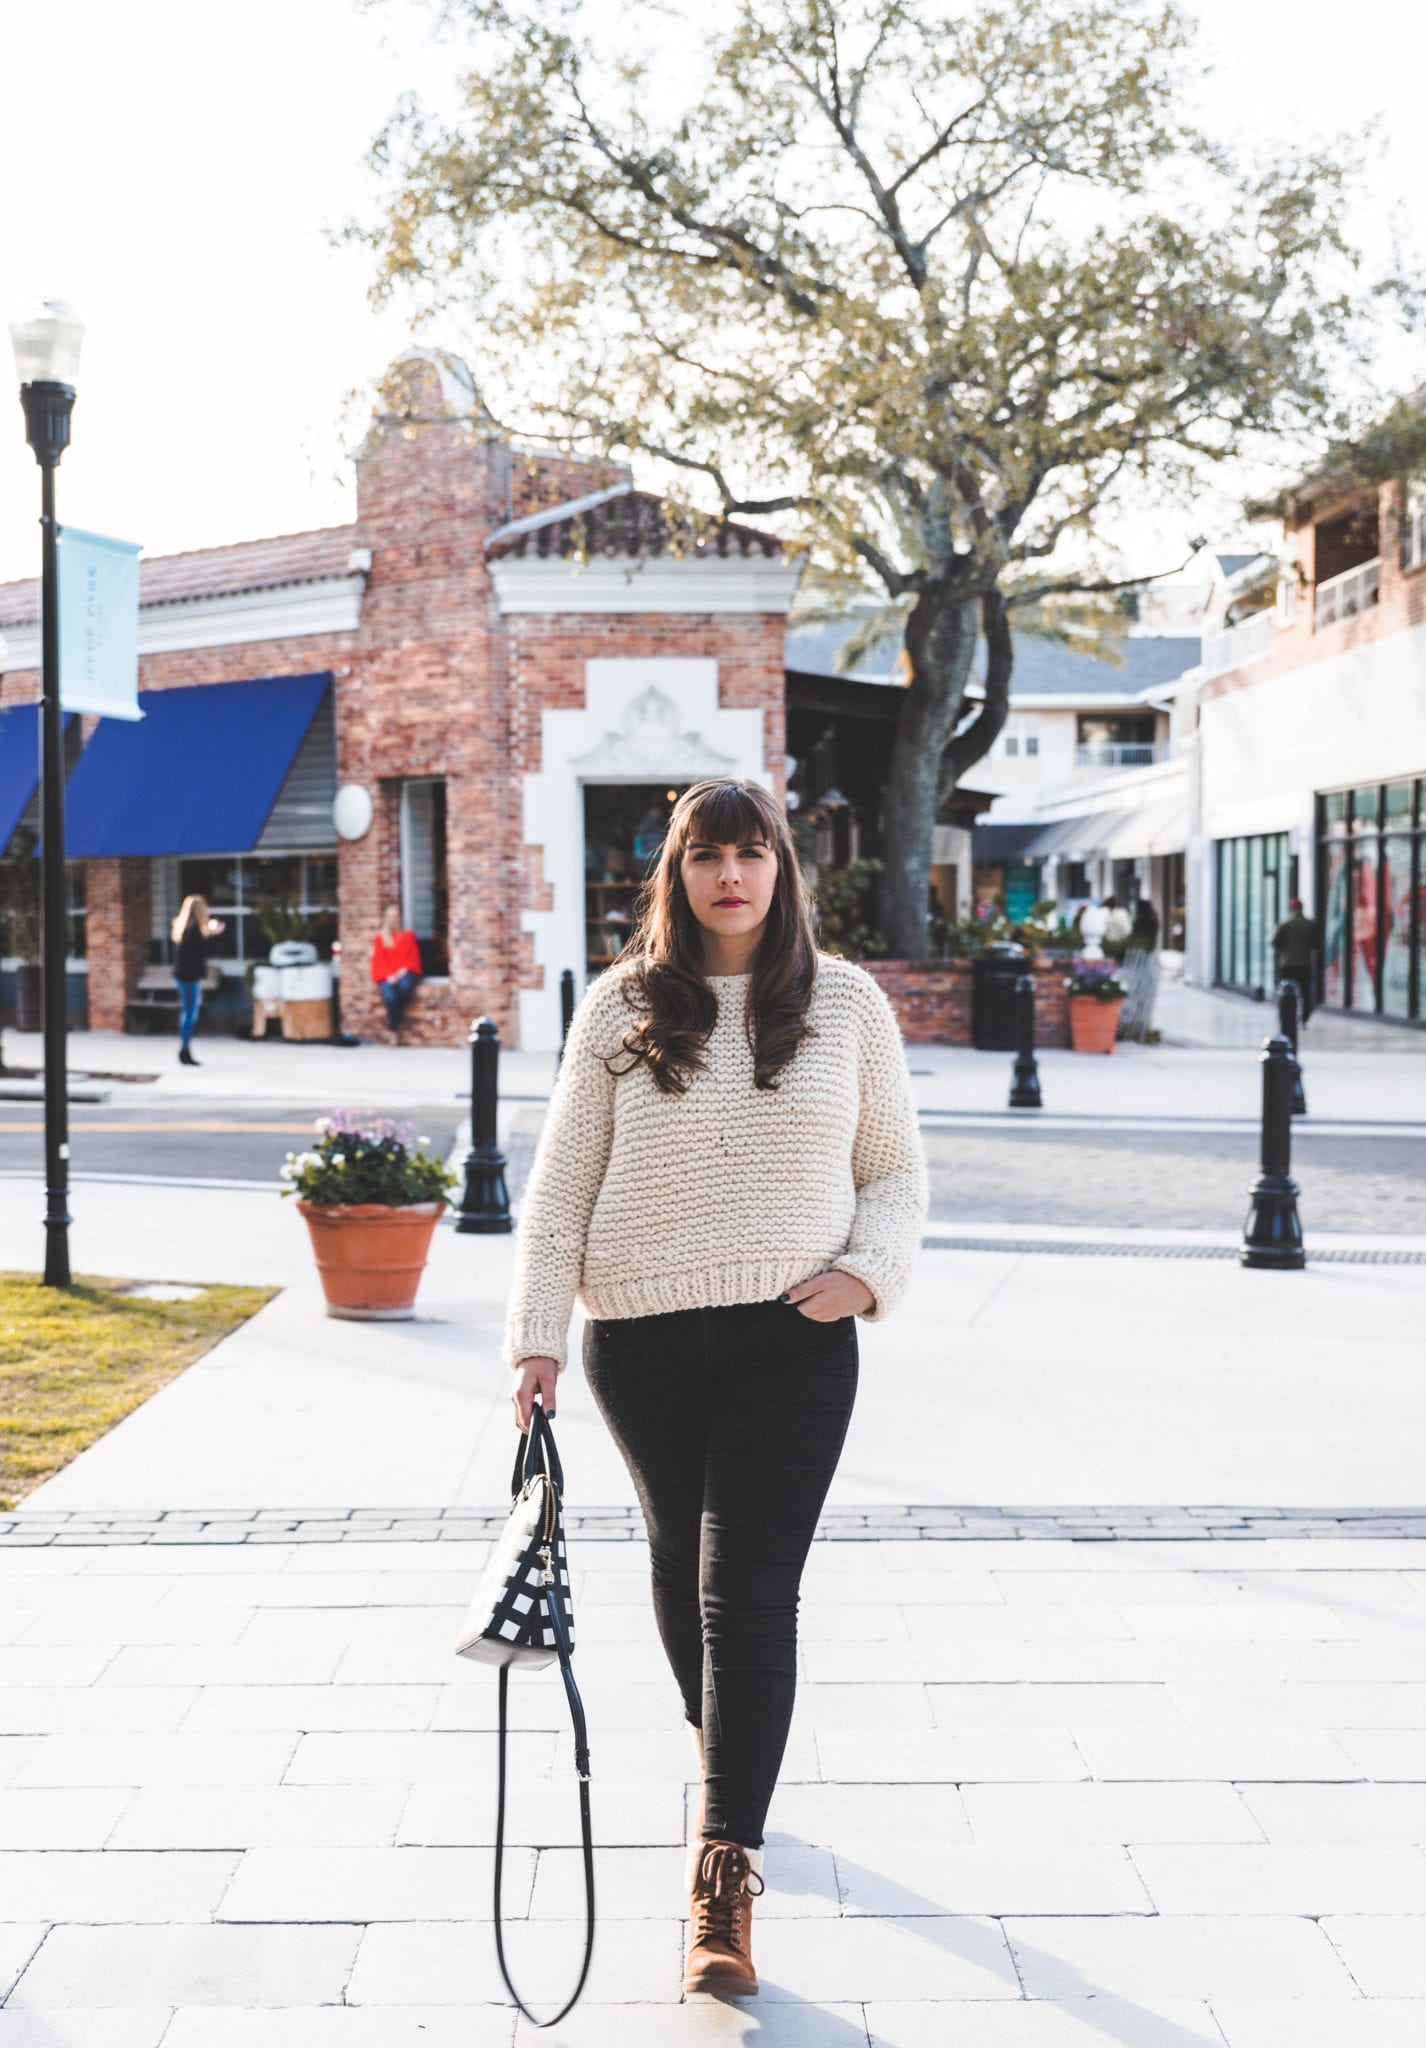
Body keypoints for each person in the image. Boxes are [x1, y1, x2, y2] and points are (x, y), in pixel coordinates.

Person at [503, 776, 928, 1999]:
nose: (729, 876)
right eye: (706, 856)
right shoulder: (622, 1007)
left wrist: (867, 1275)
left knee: (745, 1592)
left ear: (781, 867)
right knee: (675, 1565)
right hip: (638, 1341)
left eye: (750, 853)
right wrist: (535, 1332)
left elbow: (894, 1172)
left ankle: (721, 1861)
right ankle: (725, 1751)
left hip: (791, 1341)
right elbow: (560, 1185)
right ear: (674, 873)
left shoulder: (843, 1002)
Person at [170, 894, 223, 1066]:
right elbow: (205, 951)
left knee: (189, 1012)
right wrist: (214, 934)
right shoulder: (194, 930)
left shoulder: (184, 928)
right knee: (190, 1014)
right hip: (188, 977)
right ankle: (185, 1049)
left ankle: (185, 1047)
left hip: (184, 975)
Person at [369, 906, 421, 1041]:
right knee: (391, 997)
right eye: (391, 917)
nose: (394, 920)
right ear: (387, 919)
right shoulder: (381, 938)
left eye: (396, 917)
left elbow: (413, 956)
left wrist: (403, 970)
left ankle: (394, 1024)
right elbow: (379, 959)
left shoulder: (408, 935)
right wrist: (389, 975)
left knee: (404, 988)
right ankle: (394, 1026)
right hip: (387, 974)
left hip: (405, 971)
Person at [1273, 896, 1319, 1023]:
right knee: (1305, 992)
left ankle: (1285, 1016)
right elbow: (1316, 944)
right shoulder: (1309, 925)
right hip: (1304, 963)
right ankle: (1304, 1017)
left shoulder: (1284, 924)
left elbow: (1275, 942)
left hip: (1287, 964)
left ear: (1291, 908)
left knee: (1286, 991)